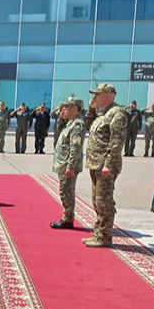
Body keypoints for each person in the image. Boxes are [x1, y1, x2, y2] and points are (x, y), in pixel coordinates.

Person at [83, 83, 127, 247]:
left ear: (109, 95)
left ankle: (105, 236)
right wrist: (91, 109)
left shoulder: (117, 114)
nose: (94, 97)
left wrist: (108, 164)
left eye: (98, 94)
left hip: (105, 166)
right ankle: (98, 233)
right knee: (97, 200)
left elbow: (116, 142)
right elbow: (89, 125)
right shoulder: (102, 114)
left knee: (104, 202)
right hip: (95, 164)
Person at [50, 98, 86, 229]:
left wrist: (70, 166)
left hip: (68, 166)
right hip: (63, 164)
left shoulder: (77, 125)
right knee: (64, 191)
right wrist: (60, 117)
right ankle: (67, 217)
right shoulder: (69, 123)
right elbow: (58, 134)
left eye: (67, 107)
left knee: (67, 191)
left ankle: (68, 219)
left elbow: (75, 147)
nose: (63, 109)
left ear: (75, 109)